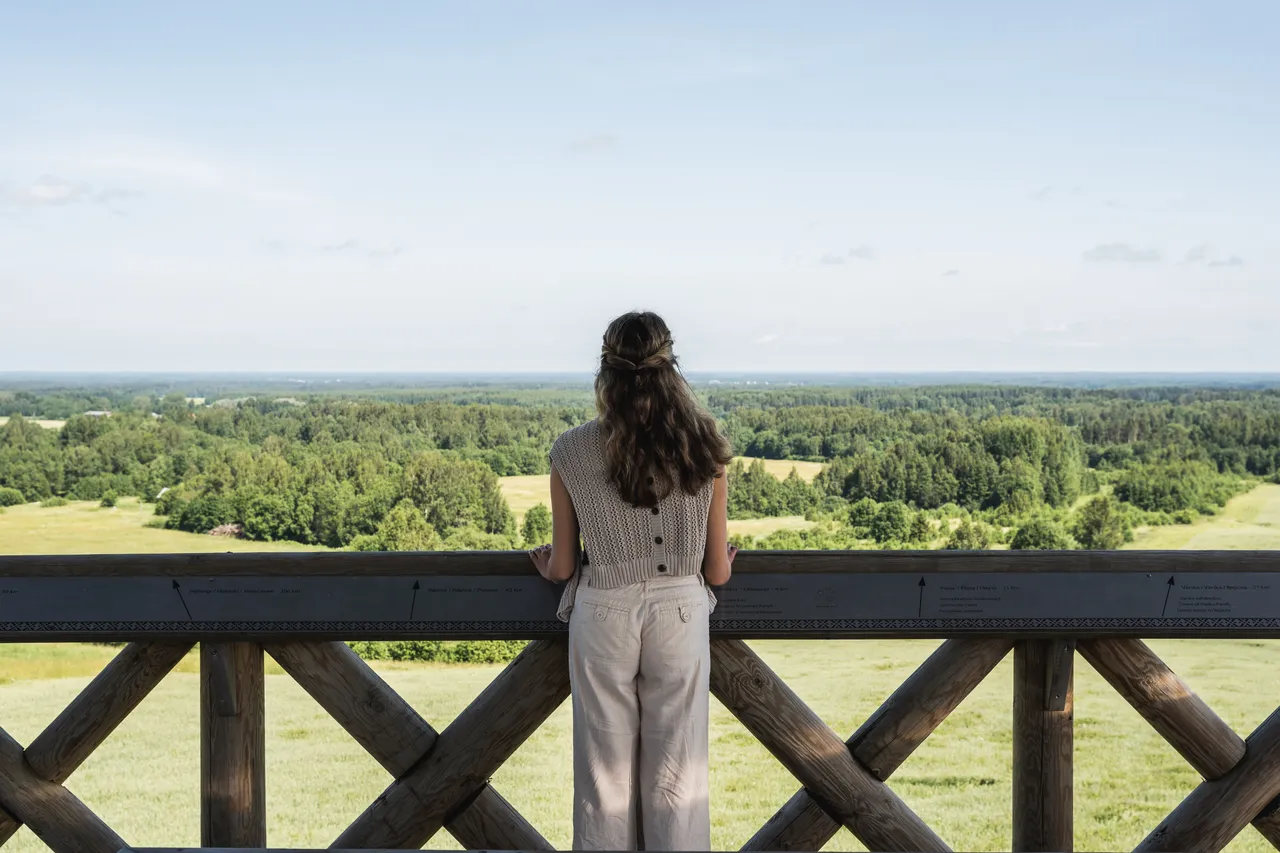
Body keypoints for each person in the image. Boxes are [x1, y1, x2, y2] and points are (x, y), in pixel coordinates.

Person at [528, 310, 737, 851]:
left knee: (603, 777)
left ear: (605, 372)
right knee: (678, 777)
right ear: (672, 367)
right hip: (682, 614)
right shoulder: (705, 448)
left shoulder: (570, 450)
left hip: (603, 614)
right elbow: (716, 572)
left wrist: (544, 565)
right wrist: (725, 563)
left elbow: (565, 567)